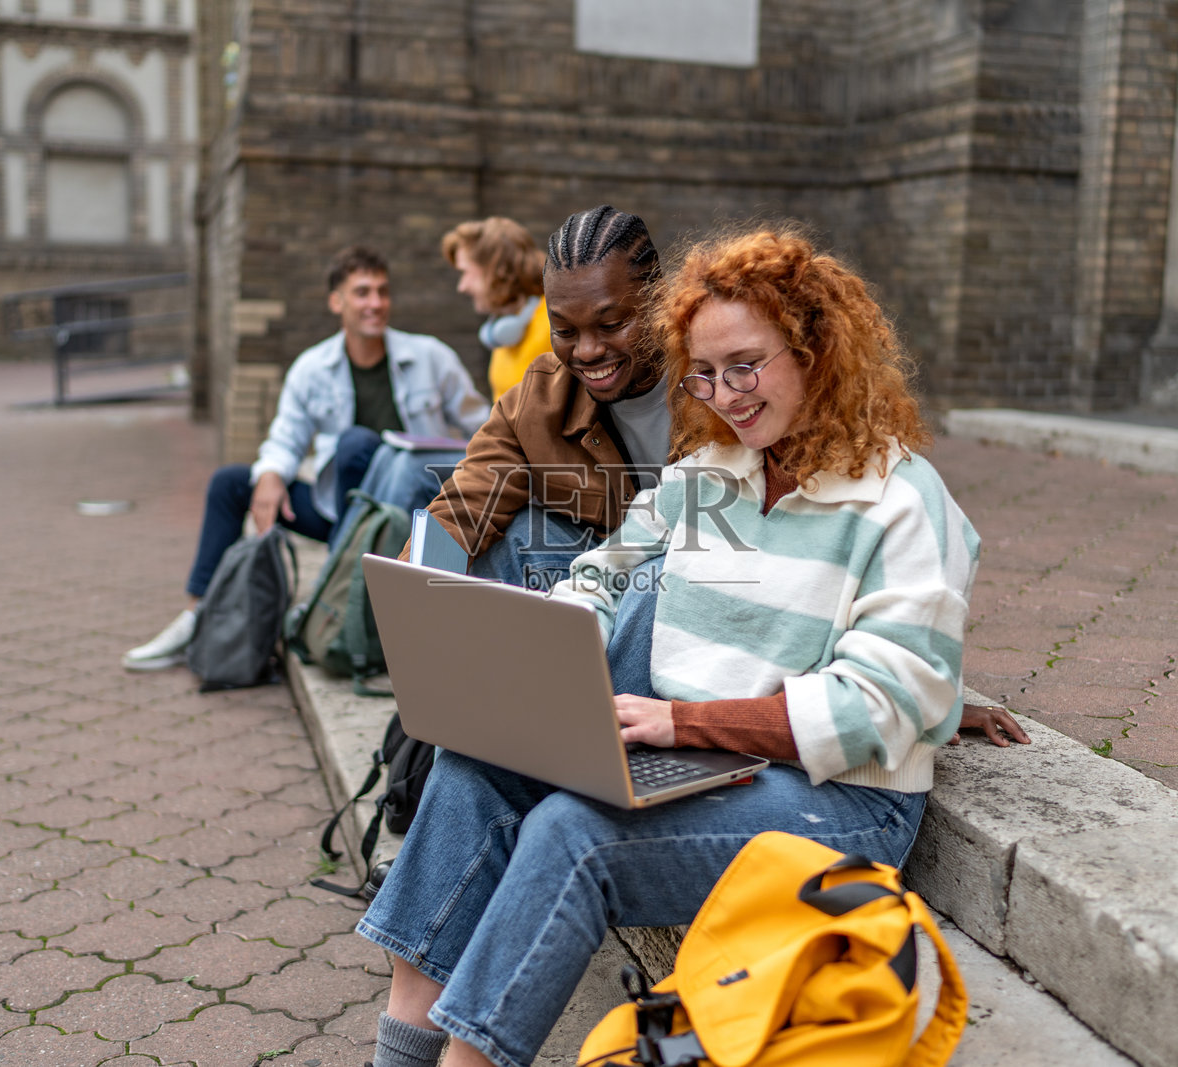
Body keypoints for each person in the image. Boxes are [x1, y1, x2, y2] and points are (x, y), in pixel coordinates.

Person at [356, 226, 994, 1067]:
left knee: (571, 831)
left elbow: (881, 705)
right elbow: (608, 569)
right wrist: (543, 648)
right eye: (703, 372)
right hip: (693, 755)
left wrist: (685, 722)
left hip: (835, 798)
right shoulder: (709, 474)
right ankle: (402, 1044)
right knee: (475, 766)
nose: (724, 394)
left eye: (746, 365)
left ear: (817, 349)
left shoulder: (903, 501)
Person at [122, 245, 489, 671]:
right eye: (363, 293)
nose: (376, 304)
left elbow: (481, 427)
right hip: (336, 513)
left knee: (355, 443)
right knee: (229, 484)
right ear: (337, 302)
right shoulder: (312, 367)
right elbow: (286, 436)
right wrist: (272, 473)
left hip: (402, 513)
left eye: (383, 293)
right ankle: (198, 615)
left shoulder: (430, 356)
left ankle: (325, 599)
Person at [414, 205, 672, 590]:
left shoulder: (717, 377)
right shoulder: (536, 401)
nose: (586, 351)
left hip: (698, 579)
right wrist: (412, 602)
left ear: (658, 299)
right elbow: (462, 509)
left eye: (612, 324)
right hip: (604, 576)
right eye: (565, 331)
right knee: (518, 536)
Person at [442, 217, 553, 399]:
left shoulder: (554, 325)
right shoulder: (505, 330)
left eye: (465, 273)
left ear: (495, 269)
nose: (461, 287)